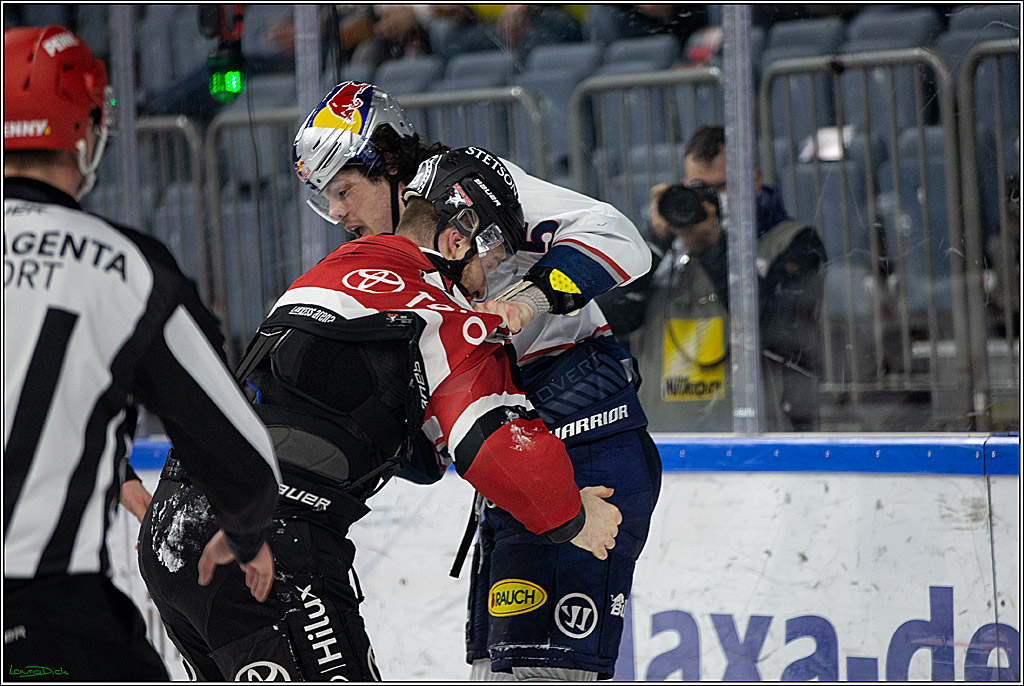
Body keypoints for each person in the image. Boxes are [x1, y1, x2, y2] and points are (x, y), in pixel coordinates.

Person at [138, 136, 624, 680]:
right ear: (457, 237)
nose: (489, 279)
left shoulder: (330, 270)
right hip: (269, 542)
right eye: (490, 258)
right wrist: (572, 516)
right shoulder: (443, 315)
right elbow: (499, 450)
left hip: (173, 527)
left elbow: (363, 421)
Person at [290, 81, 660, 680]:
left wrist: (531, 297)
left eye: (344, 190)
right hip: (520, 471)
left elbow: (619, 237)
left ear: (390, 164)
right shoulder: (389, 260)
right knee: (498, 673)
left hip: (583, 450)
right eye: (325, 197)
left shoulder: (470, 189)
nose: (336, 213)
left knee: (540, 674)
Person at [3, 25, 281, 680]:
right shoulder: (124, 268)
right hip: (46, 618)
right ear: (85, 133)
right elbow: (239, 452)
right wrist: (244, 528)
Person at [608, 125, 827, 432]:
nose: (712, 199)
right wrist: (652, 244)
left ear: (754, 180)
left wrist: (712, 248)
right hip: (665, 441)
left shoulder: (794, 243)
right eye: (700, 188)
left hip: (756, 441)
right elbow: (610, 321)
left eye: (723, 186)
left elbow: (778, 327)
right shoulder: (663, 248)